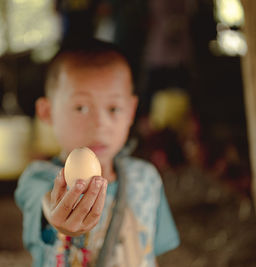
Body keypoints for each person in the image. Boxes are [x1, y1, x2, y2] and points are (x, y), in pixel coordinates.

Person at [14, 39, 180, 267]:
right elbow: (43, 201)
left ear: (131, 111)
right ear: (47, 112)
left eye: (113, 109)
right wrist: (57, 218)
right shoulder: (38, 178)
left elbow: (149, 250)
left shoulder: (146, 179)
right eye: (81, 108)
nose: (100, 124)